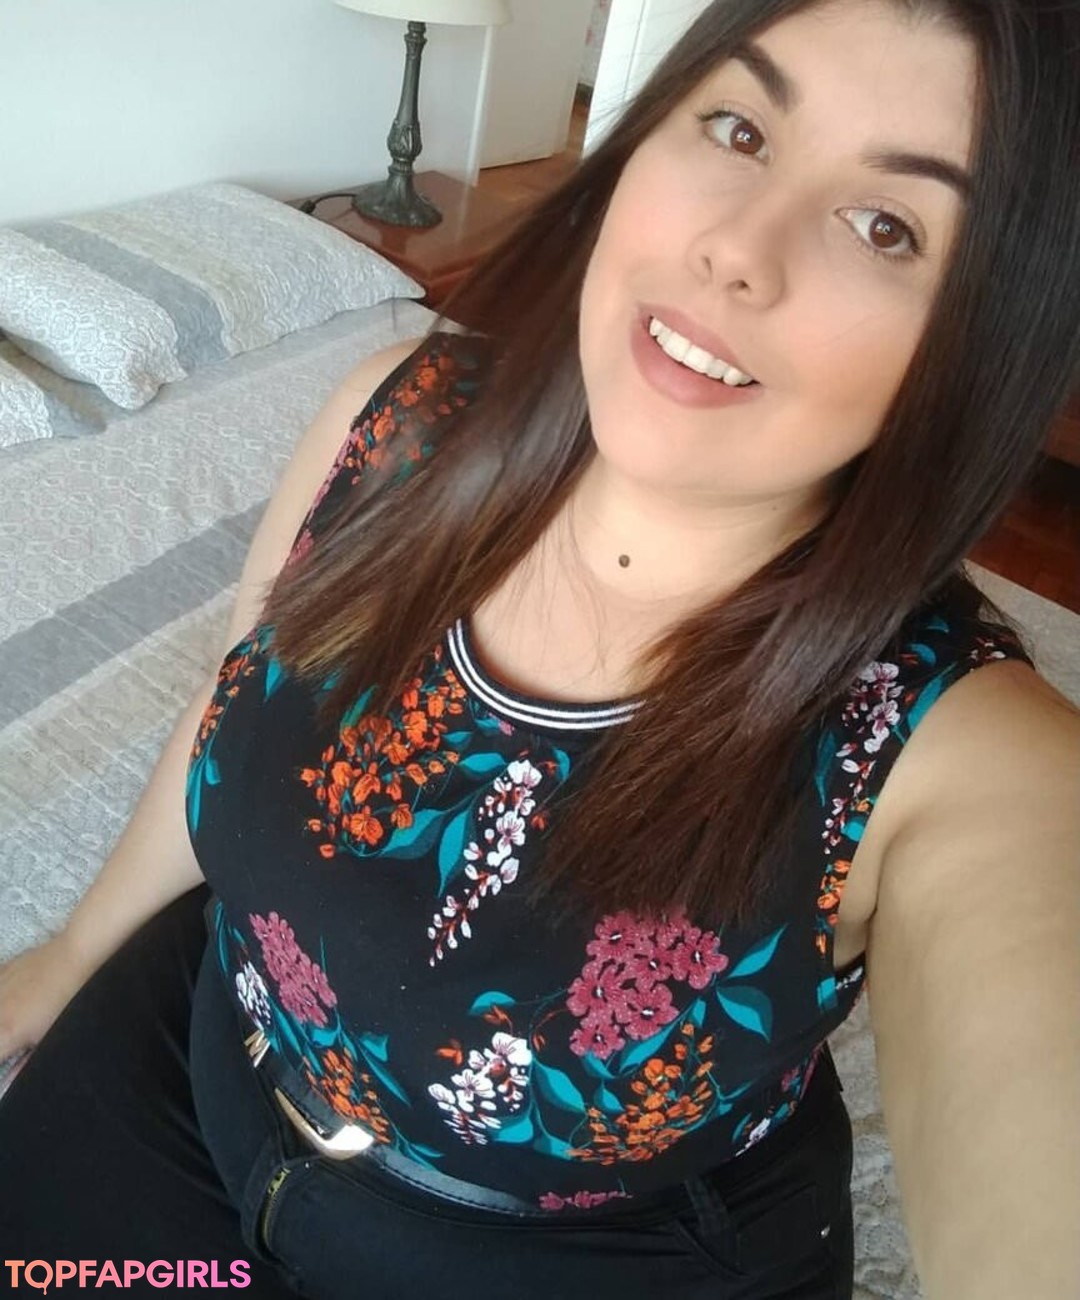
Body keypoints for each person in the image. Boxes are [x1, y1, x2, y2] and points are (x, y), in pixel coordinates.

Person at [1, 0, 1078, 1296]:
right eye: (739, 129)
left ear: (983, 345)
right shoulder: (394, 420)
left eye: (886, 225)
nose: (737, 249)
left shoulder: (961, 755)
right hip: (203, 1060)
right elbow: (236, 712)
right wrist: (72, 955)